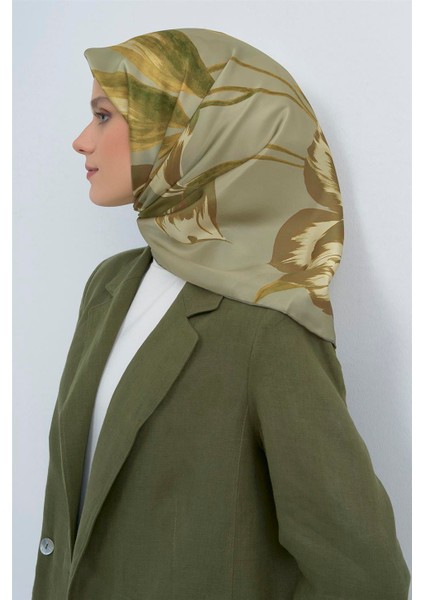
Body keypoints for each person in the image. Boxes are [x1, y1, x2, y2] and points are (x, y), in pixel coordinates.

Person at [32, 28, 410, 599]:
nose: (82, 141)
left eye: (104, 116)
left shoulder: (267, 322)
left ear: (193, 130)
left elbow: (365, 574)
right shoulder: (110, 285)